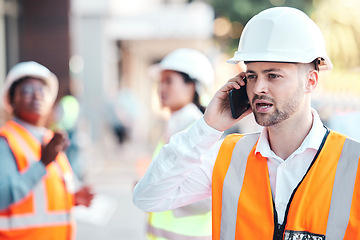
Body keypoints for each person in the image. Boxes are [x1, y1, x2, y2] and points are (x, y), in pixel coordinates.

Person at [133, 7, 360, 240]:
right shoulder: (227, 156)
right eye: (252, 76)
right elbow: (146, 197)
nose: (259, 88)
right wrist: (208, 127)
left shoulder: (354, 163)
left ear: (310, 81)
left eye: (273, 75)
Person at [0, 61, 94, 240]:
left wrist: (72, 198)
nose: (36, 95)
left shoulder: (49, 138)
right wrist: (42, 164)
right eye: (26, 90)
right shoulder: (5, 141)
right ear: (12, 99)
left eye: (42, 90)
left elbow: (40, 198)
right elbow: (2, 197)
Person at [144, 48, 214, 240]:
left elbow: (208, 195)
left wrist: (156, 192)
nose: (161, 88)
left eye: (169, 81)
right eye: (160, 82)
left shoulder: (199, 132)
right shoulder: (175, 126)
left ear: (191, 86)